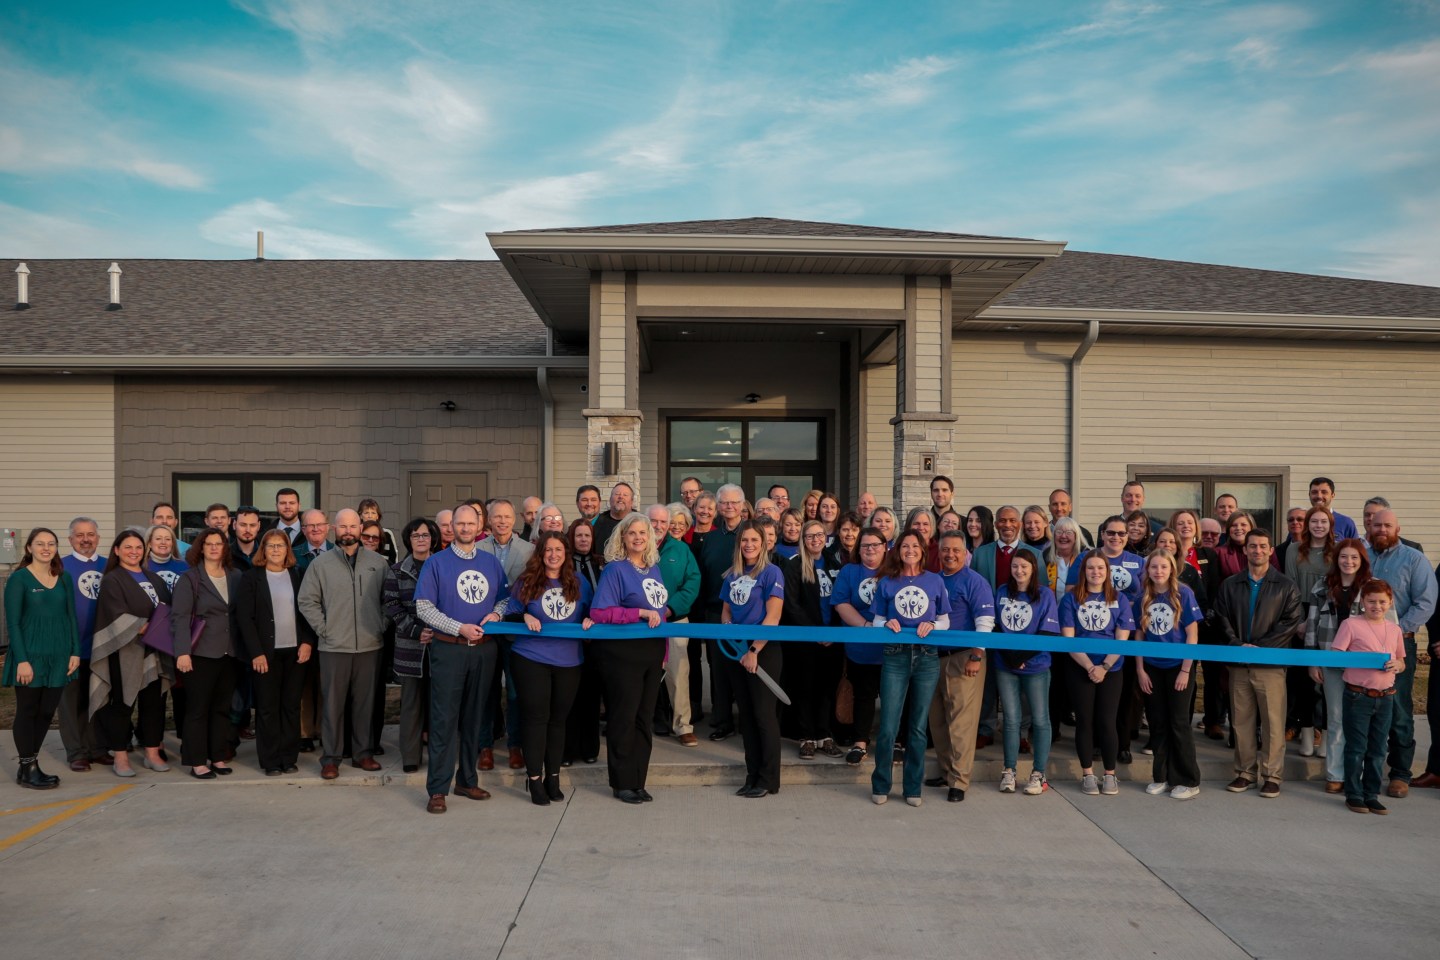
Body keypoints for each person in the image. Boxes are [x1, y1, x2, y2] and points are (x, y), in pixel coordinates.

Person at [412, 503, 508, 814]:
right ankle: (438, 788)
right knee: (444, 720)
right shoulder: (436, 563)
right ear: (451, 526)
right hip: (449, 649)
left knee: (474, 718)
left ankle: (467, 780)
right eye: (460, 523)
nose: (465, 528)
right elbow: (424, 608)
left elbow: (505, 598)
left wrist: (496, 614)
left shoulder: (490, 563)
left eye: (470, 523)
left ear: (479, 525)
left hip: (484, 650)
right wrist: (459, 627)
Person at [298, 507, 390, 780]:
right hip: (334, 647)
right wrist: (325, 630)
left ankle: (363, 753)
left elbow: (389, 599)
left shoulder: (378, 563)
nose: (348, 531)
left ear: (360, 528)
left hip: (370, 645)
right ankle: (331, 758)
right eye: (342, 526)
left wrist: (380, 624)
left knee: (365, 704)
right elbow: (307, 601)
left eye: (352, 526)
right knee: (333, 705)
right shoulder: (320, 564)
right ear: (334, 529)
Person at [1216, 528, 1303, 799]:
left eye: (1263, 546)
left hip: (1270, 665)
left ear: (1270, 550)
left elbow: (1290, 623)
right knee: (1241, 721)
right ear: (1245, 550)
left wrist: (1261, 649)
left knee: (1273, 723)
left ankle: (1272, 776)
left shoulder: (1286, 586)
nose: (1257, 550)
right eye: (1252, 546)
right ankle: (1245, 773)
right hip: (1239, 662)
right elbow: (1221, 618)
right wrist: (1237, 645)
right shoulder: (1230, 585)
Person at [509, 531, 593, 805]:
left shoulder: (578, 581)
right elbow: (510, 611)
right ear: (541, 553)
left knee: (558, 720)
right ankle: (534, 778)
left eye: (559, 550)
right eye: (548, 550)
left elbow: (593, 611)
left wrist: (591, 620)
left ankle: (553, 777)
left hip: (569, 660)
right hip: (531, 658)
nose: (554, 555)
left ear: (566, 554)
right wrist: (525, 615)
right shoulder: (527, 580)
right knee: (536, 718)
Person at [591, 513, 669, 804]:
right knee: (624, 718)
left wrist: (664, 653)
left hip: (652, 653)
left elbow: (660, 617)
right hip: (623, 653)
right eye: (632, 533)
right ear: (622, 537)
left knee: (644, 719)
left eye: (643, 533)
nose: (638, 537)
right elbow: (600, 612)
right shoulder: (615, 570)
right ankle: (622, 782)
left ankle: (639, 781)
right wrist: (639, 613)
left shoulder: (654, 570)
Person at [868, 531, 951, 807]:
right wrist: (886, 624)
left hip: (927, 657)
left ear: (923, 551)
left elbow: (945, 621)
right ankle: (881, 783)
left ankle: (912, 787)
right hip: (895, 656)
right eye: (905, 546)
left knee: (917, 727)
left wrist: (932, 625)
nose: (910, 550)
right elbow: (877, 620)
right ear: (898, 550)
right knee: (888, 726)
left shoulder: (935, 581)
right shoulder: (887, 582)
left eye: (915, 546)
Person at [1364, 509, 1437, 800]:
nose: (1381, 529)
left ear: (1398, 528)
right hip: (1362, 645)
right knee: (1363, 705)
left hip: (1399, 644)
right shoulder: (1361, 556)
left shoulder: (1414, 559)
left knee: (1399, 709)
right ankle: (1366, 769)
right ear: (1369, 527)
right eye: (1377, 525)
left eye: (1387, 525)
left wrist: (1396, 631)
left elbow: (1426, 602)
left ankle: (1399, 773)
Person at [91, 529, 173, 778]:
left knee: (154, 703)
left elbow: (168, 608)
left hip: (155, 651)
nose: (134, 552)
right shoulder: (113, 580)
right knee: (123, 704)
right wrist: (147, 626)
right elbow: (115, 614)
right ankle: (121, 757)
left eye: (138, 547)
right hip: (125, 651)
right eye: (128, 547)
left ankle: (152, 753)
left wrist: (164, 626)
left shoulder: (154, 578)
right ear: (117, 550)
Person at [4, 528, 80, 789]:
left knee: (47, 711)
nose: (46, 548)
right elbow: (13, 624)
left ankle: (30, 765)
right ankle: (28, 767)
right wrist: (22, 660)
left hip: (59, 656)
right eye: (40, 543)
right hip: (30, 656)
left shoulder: (64, 577)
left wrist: (75, 651)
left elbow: (71, 617)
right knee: (28, 710)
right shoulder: (19, 579)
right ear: (29, 548)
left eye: (51, 544)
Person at [236, 528, 314, 777]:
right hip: (265, 655)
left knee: (291, 706)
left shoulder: (297, 574)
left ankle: (288, 758)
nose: (276, 550)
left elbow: (308, 611)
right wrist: (256, 653)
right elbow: (245, 618)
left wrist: (307, 642)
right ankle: (270, 760)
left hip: (295, 653)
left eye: (281, 545)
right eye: (271, 545)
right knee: (267, 708)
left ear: (287, 549)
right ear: (263, 549)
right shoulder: (251, 578)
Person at [926, 531, 995, 803]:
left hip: (964, 657)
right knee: (938, 720)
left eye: (956, 550)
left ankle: (959, 781)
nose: (950, 555)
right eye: (945, 549)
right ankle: (946, 772)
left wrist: (976, 656)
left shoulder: (975, 581)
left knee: (961, 723)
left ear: (966, 553)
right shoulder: (933, 580)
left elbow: (985, 621)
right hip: (933, 657)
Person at [1060, 551, 1135, 796]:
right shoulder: (1071, 599)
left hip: (1111, 669)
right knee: (1085, 720)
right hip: (1080, 666)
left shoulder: (1119, 599)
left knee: (1107, 721)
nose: (1096, 572)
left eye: (1100, 568)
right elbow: (1069, 639)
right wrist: (1089, 667)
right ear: (1084, 572)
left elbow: (1122, 639)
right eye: (1091, 568)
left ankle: (1110, 774)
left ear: (1107, 571)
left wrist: (1104, 667)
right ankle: (1088, 774)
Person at [721, 521, 787, 798]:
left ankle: (768, 779)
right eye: (744, 540)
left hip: (763, 650)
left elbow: (773, 616)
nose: (749, 545)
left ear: (764, 544)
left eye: (754, 540)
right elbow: (726, 611)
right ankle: (752, 776)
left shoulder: (772, 573)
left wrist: (754, 651)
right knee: (746, 717)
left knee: (763, 716)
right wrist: (733, 639)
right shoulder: (732, 575)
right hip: (737, 651)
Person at [1306, 540, 1377, 793]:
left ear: (1362, 561)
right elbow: (1312, 624)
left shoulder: (1372, 587)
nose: (1349, 562)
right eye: (1344, 557)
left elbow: (1389, 624)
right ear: (1336, 559)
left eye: (1354, 557)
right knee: (1336, 717)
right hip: (1330, 659)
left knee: (1361, 720)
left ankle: (1358, 774)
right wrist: (1313, 660)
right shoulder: (1322, 586)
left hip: (1363, 663)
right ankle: (1335, 773)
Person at [170, 528, 242, 779]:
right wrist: (182, 652)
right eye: (208, 543)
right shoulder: (190, 579)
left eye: (218, 543)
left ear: (224, 547)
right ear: (200, 548)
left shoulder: (236, 576)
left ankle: (217, 756)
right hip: (199, 654)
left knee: (222, 708)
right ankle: (197, 761)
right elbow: (179, 617)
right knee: (197, 709)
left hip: (230, 653)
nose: (213, 548)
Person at [1332, 580, 1407, 814]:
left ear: (1390, 602)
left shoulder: (1394, 629)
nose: (1377, 606)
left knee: (1378, 749)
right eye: (1371, 601)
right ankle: (1354, 794)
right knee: (1357, 747)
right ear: (1362, 601)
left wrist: (1398, 665)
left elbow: (1401, 661)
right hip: (1358, 696)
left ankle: (1371, 794)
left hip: (1386, 697)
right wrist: (1361, 660)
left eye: (1382, 602)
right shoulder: (1350, 625)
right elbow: (1336, 656)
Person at [1134, 551, 1204, 800]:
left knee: (1179, 722)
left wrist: (1185, 670)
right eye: (1154, 567)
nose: (1158, 571)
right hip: (1152, 667)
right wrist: (1140, 669)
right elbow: (1139, 635)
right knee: (1158, 722)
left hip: (1178, 666)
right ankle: (1161, 776)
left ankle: (1188, 779)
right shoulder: (1143, 596)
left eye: (1163, 566)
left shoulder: (1183, 593)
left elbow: (1192, 635)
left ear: (1172, 569)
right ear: (1147, 570)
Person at [992, 546, 1059, 796]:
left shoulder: (1044, 595)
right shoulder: (1002, 591)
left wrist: (1020, 658)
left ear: (1033, 569)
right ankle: (1009, 770)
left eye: (1024, 566)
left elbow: (1047, 632)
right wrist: (1011, 659)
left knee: (1040, 719)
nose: (1019, 571)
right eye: (1015, 566)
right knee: (1011, 720)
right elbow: (995, 627)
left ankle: (1038, 773)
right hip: (1006, 666)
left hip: (1036, 666)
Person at [477, 498, 535, 772]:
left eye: (507, 517)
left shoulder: (528, 550)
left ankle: (515, 746)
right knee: (486, 691)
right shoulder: (477, 549)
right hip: (485, 630)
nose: (502, 521)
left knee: (514, 691)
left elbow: (533, 586)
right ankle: (485, 746)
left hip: (515, 630)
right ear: (488, 520)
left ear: (515, 520)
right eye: (497, 517)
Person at [782, 520, 844, 760]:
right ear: (803, 539)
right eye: (809, 536)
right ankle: (806, 737)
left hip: (833, 639)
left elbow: (842, 600)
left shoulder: (834, 563)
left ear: (825, 538)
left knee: (827, 689)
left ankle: (824, 735)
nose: (815, 539)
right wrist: (815, 632)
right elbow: (791, 604)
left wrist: (832, 633)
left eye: (819, 535)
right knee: (805, 688)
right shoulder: (795, 565)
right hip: (806, 640)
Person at [382, 519, 438, 774]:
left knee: (438, 704)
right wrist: (416, 631)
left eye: (425, 535)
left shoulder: (442, 566)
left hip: (439, 644)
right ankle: (411, 756)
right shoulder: (397, 571)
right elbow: (392, 606)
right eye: (416, 535)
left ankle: (438, 755)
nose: (421, 539)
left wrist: (436, 629)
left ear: (432, 539)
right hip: (409, 646)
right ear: (409, 540)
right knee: (411, 704)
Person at [831, 527, 887, 766]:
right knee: (863, 695)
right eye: (865, 545)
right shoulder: (849, 571)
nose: (870, 549)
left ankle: (892, 743)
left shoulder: (895, 570)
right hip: (860, 647)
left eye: (875, 544)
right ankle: (860, 743)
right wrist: (866, 626)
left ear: (885, 547)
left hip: (890, 649)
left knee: (893, 698)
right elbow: (840, 603)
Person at [647, 503, 700, 745]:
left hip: (675, 620)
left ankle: (683, 726)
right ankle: (641, 722)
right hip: (642, 622)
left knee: (678, 674)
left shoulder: (681, 550)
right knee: (641, 674)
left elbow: (692, 582)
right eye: (654, 521)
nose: (658, 526)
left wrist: (671, 608)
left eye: (663, 522)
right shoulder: (635, 544)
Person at [696, 483, 745, 741]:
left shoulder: (751, 533)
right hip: (715, 611)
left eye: (734, 502)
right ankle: (722, 720)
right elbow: (704, 576)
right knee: (719, 669)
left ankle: (747, 721)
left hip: (747, 614)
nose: (729, 506)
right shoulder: (712, 538)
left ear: (742, 505)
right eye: (724, 502)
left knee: (745, 666)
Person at [1284, 506, 1335, 755]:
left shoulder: (1337, 550)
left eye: (1323, 521)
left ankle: (1324, 735)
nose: (1318, 526)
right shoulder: (1294, 549)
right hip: (1300, 613)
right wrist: (1301, 622)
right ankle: (1304, 733)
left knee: (1326, 681)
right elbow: (1291, 586)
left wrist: (1316, 621)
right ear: (1307, 525)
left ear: (1330, 525)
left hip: (1328, 616)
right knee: (1302, 681)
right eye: (1314, 521)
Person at [58, 517, 105, 772]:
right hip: (71, 649)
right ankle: (76, 752)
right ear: (70, 539)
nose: (85, 539)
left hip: (102, 647)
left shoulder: (108, 565)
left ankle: (96, 748)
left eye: (90, 534)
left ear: (98, 538)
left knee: (98, 700)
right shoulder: (60, 566)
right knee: (71, 703)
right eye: (79, 535)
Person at [563, 518, 605, 765]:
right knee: (570, 695)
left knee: (591, 694)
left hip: (597, 639)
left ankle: (590, 749)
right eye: (578, 535)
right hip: (570, 639)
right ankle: (568, 750)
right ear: (571, 538)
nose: (583, 539)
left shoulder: (602, 564)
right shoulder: (564, 565)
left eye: (587, 535)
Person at [145, 524, 188, 592]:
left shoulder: (185, 567)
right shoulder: (141, 567)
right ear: (149, 543)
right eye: (158, 539)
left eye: (167, 539)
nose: (163, 542)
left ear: (172, 543)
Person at [591, 482, 635, 549]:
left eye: (625, 495)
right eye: (617, 494)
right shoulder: (597, 522)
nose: (621, 497)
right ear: (610, 499)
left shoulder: (640, 523)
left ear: (632, 502)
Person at [229, 506, 263, 571]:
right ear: (234, 525)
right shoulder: (225, 555)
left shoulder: (267, 554)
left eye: (252, 525)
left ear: (258, 526)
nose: (248, 530)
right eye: (243, 525)